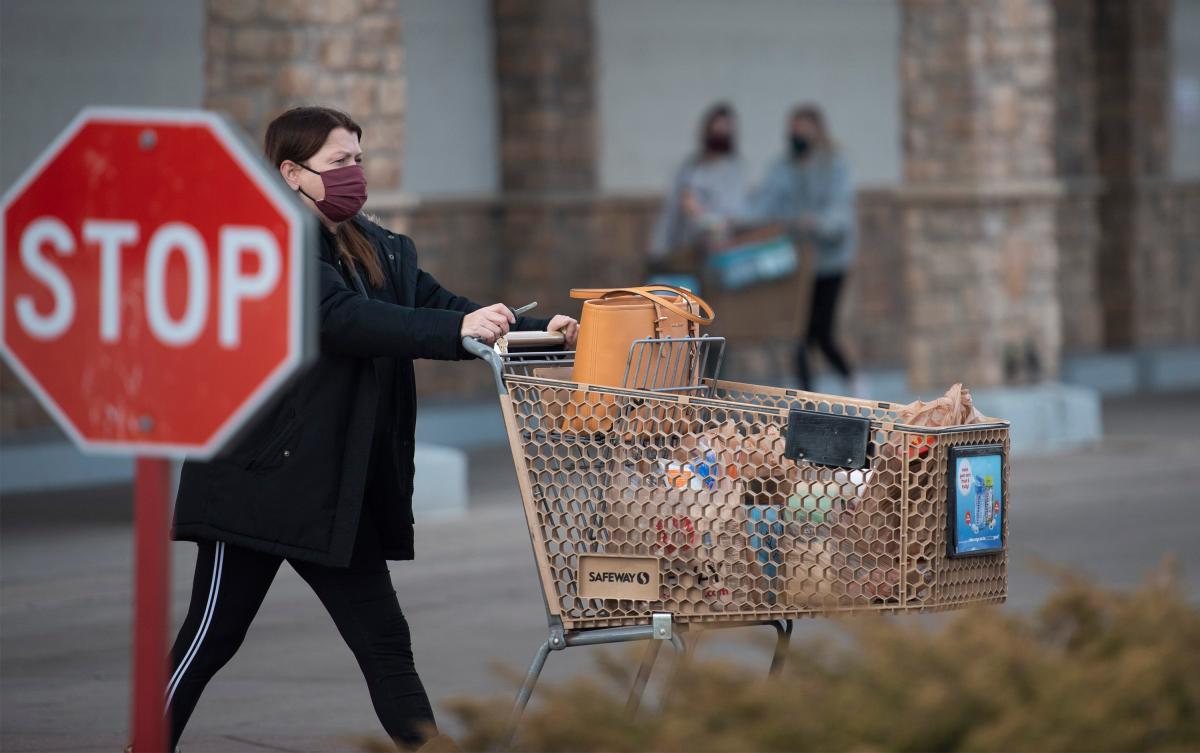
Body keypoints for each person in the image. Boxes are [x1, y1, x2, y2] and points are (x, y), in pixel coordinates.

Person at [161, 106, 579, 751]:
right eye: (338, 162)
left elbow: (443, 308)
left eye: (357, 158)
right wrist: (454, 332)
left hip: (334, 486)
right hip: (254, 481)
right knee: (211, 638)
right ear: (292, 173)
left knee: (385, 643)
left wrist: (537, 331)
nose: (354, 173)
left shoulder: (380, 245)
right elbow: (341, 318)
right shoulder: (267, 244)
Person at [750, 104, 862, 394]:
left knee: (821, 332)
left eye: (802, 129)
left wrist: (818, 223)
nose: (796, 135)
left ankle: (853, 380)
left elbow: (841, 213)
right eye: (792, 130)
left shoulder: (834, 165)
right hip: (795, 263)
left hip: (829, 262)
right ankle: (806, 396)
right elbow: (763, 203)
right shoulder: (782, 168)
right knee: (797, 331)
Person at [649, 102, 751, 265]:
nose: (719, 133)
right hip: (685, 251)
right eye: (715, 128)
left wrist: (700, 214)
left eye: (724, 129)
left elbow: (733, 216)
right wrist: (658, 251)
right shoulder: (690, 167)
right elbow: (671, 213)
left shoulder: (735, 170)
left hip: (720, 256)